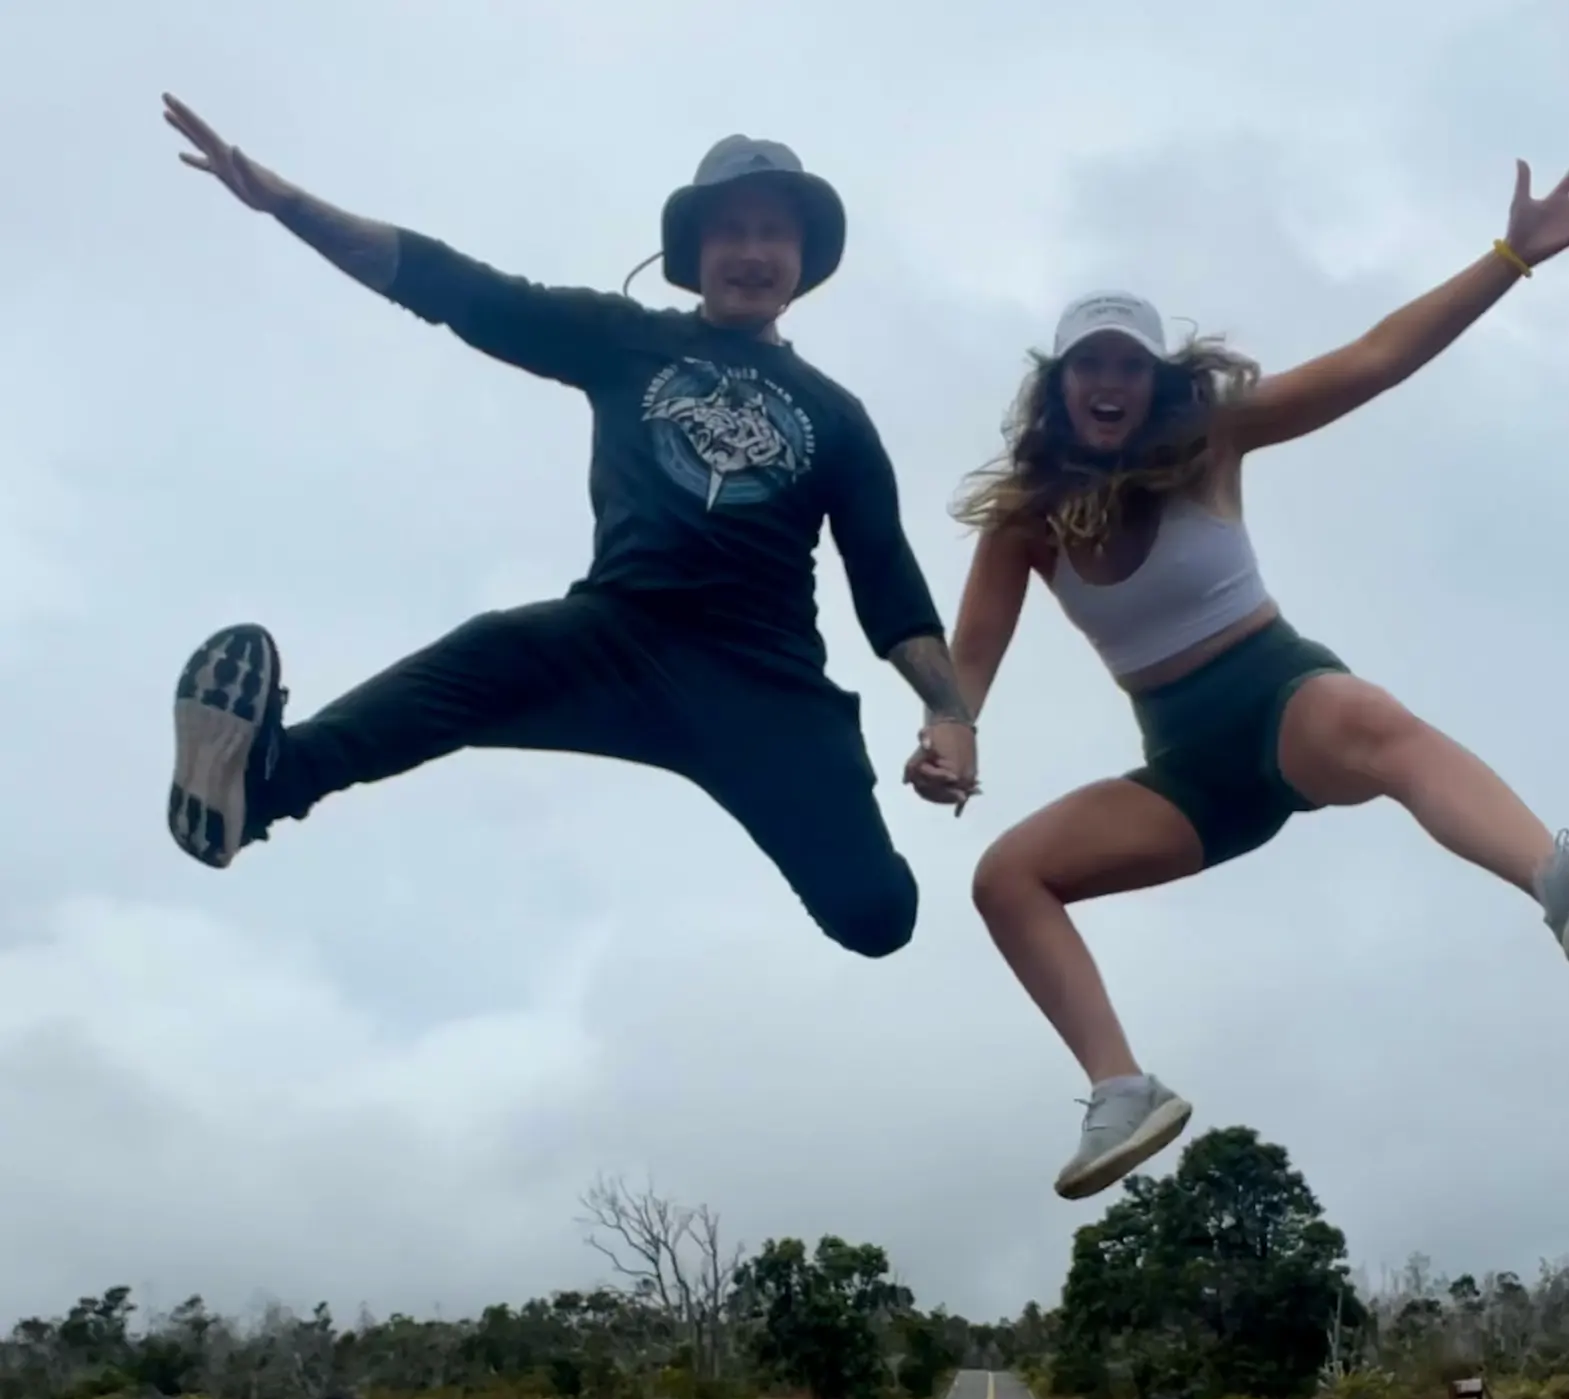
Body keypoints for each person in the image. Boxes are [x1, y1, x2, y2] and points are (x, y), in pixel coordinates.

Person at [913, 151, 1569, 1199]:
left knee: (1365, 715)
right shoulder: (1027, 519)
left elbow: (1376, 357)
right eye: (1089, 366)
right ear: (1058, 385)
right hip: (1190, 775)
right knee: (1006, 877)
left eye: (1129, 365)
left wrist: (1509, 257)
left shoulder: (1212, 438)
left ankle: (1559, 880)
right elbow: (971, 658)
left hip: (1279, 702)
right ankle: (1121, 1090)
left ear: (1157, 381)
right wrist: (949, 735)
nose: (1109, 383)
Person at [160, 96, 978, 959]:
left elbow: (887, 580)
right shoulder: (622, 339)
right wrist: (290, 207)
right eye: (730, 231)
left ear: (801, 257)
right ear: (694, 252)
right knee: (491, 651)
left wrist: (948, 714)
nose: (750, 252)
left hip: (763, 680)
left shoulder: (837, 418)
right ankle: (263, 784)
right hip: (619, 638)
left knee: (878, 919)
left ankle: (867, 880)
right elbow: (460, 290)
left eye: (772, 233)